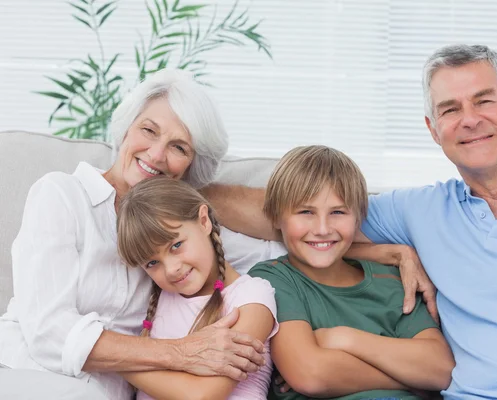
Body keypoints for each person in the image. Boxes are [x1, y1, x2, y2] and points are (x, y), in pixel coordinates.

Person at [201, 45, 497, 399]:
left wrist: (341, 337)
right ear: (432, 129)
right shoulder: (418, 210)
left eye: (484, 101)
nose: (469, 120)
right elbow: (306, 218)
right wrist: (389, 249)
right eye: (450, 109)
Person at [0, 69, 285, 400]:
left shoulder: (185, 231)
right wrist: (181, 352)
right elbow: (50, 333)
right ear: (125, 129)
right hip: (28, 374)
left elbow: (291, 239)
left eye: (179, 147)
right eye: (148, 130)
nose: (156, 154)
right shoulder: (61, 194)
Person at [247, 145, 454, 400]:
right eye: (305, 212)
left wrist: (342, 339)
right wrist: (413, 381)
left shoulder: (391, 281)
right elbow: (311, 374)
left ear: (358, 218)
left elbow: (442, 370)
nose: (322, 229)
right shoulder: (274, 279)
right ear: (276, 218)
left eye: (337, 212)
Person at [116, 177, 278, 400]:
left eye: (176, 245)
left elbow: (203, 395)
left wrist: (115, 360)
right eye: (152, 263)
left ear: (204, 221)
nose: (171, 269)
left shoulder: (251, 296)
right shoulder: (160, 300)